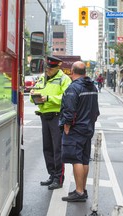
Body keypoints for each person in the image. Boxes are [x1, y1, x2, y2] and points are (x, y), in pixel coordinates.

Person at [59, 61, 100, 202]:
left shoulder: (73, 88)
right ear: (85, 72)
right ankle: (83, 189)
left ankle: (79, 191)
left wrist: (67, 126)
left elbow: (69, 110)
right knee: (84, 159)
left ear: (72, 71)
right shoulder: (93, 87)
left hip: (76, 130)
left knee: (76, 160)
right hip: (88, 128)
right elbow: (96, 111)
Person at [30, 56, 72, 190]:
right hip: (44, 116)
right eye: (47, 67)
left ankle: (58, 178)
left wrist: (48, 98)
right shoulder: (42, 78)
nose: (47, 70)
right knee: (47, 147)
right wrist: (33, 95)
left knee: (57, 148)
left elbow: (66, 98)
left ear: (57, 68)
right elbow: (35, 94)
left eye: (50, 68)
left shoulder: (64, 79)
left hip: (57, 116)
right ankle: (52, 174)